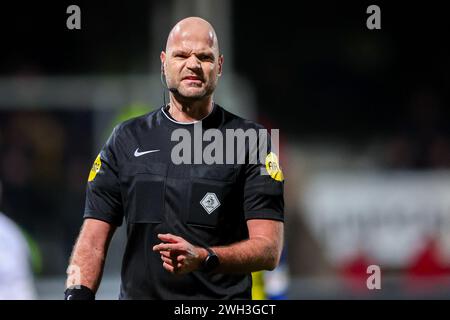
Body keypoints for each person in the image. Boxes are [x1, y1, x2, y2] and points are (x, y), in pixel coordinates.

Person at [65, 16, 284, 300]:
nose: (193, 64)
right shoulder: (126, 138)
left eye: (204, 57)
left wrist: (205, 257)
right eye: (181, 54)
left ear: (218, 66)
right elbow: (93, 237)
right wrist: (76, 294)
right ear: (164, 62)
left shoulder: (249, 141)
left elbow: (269, 249)